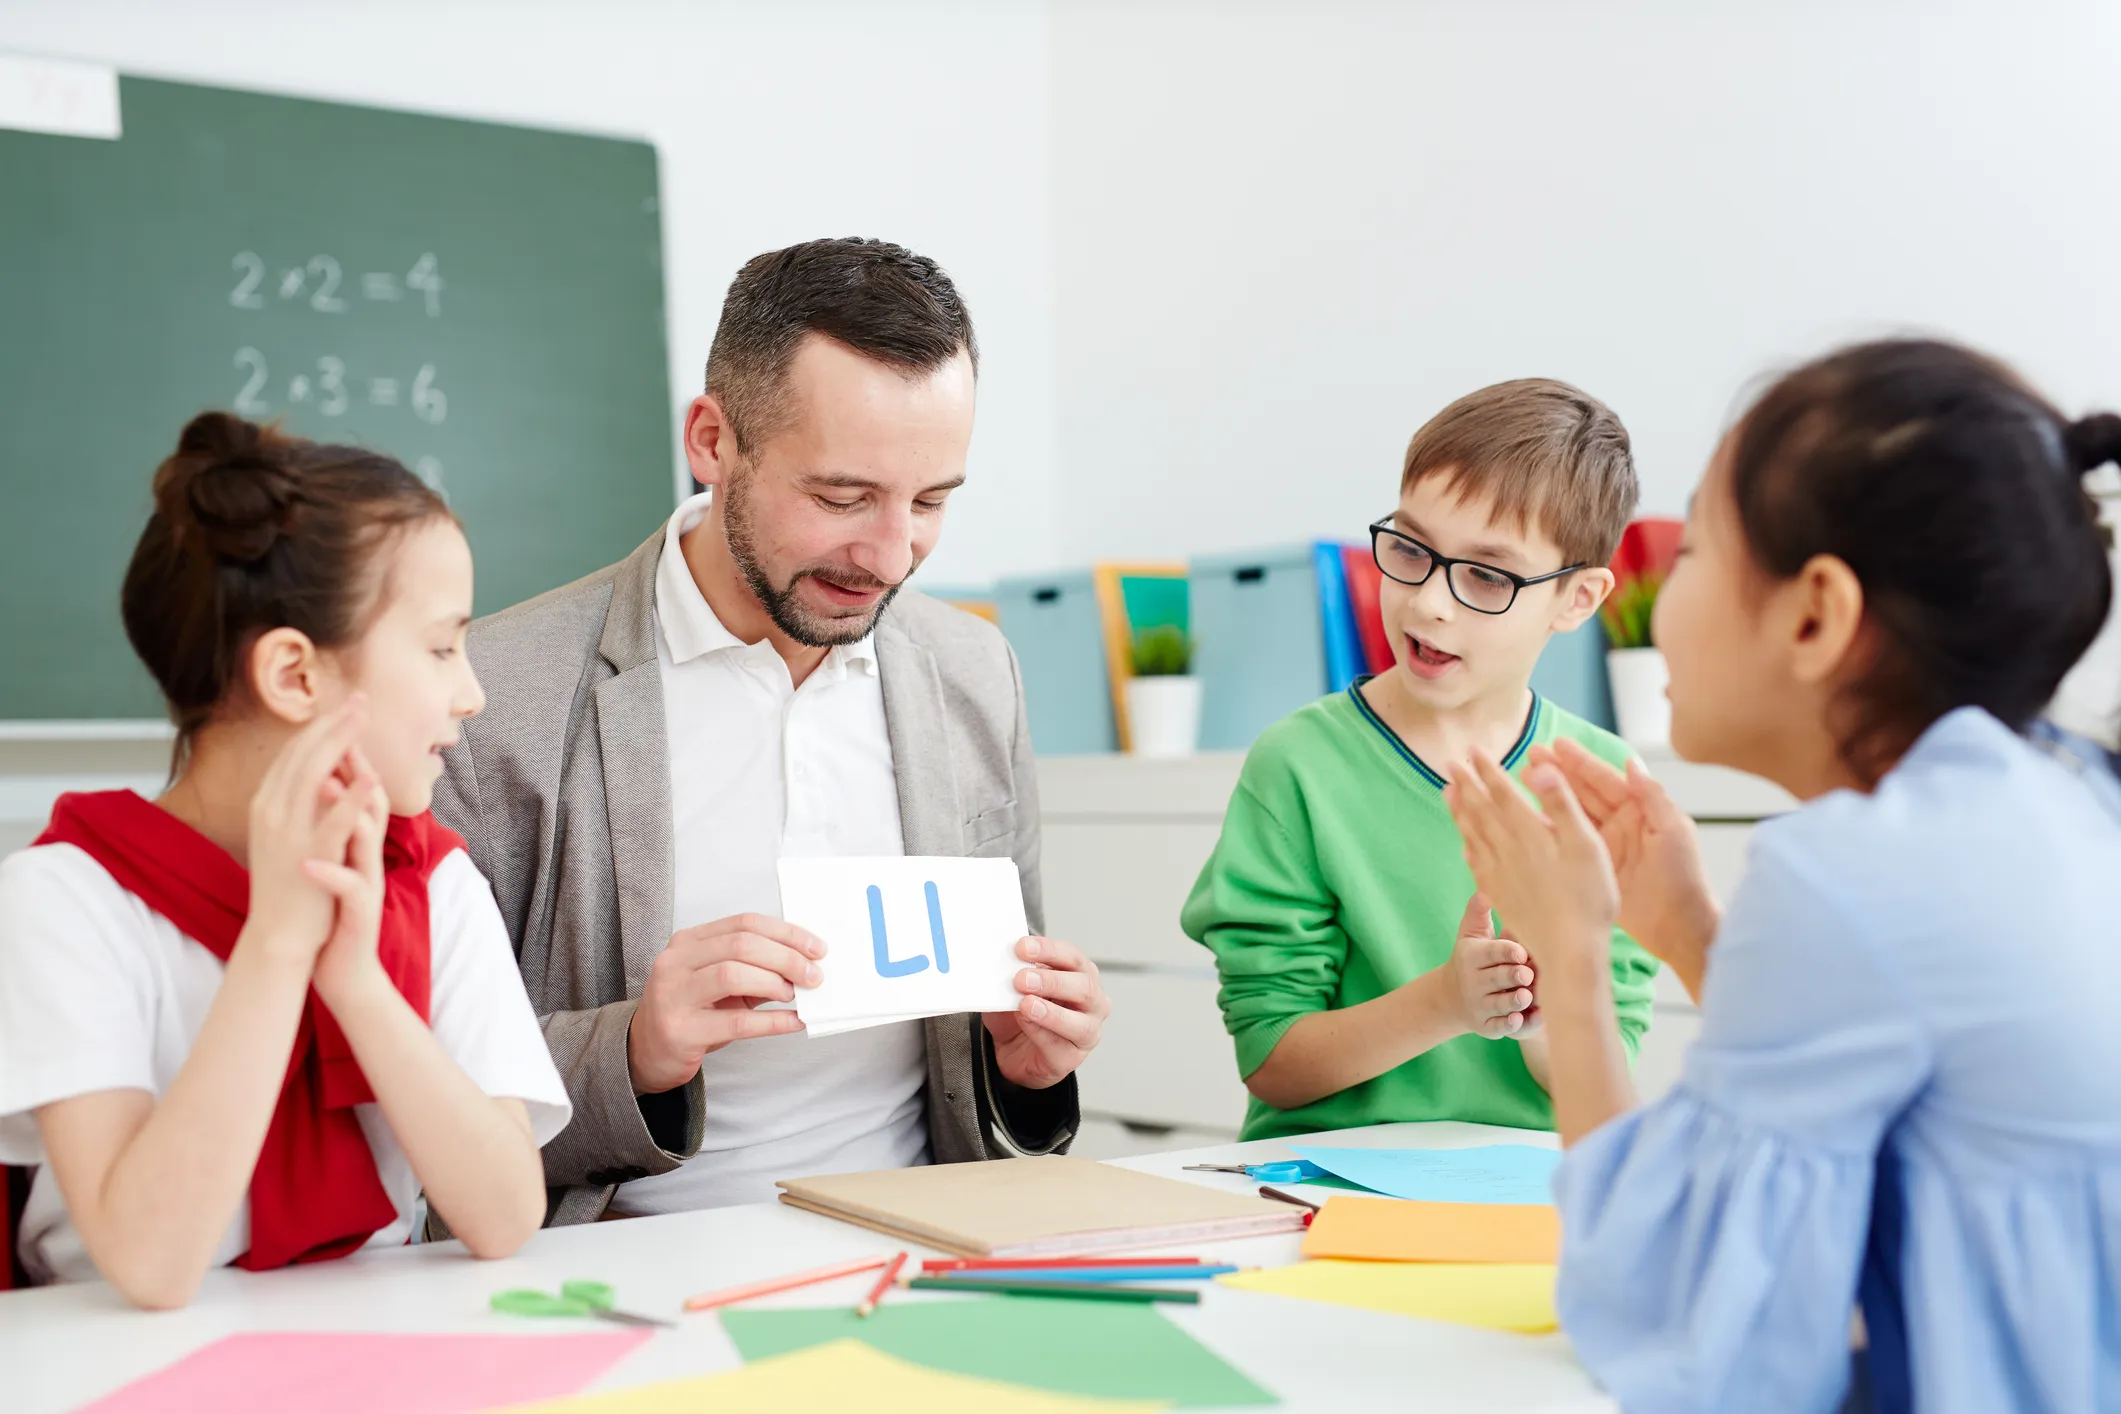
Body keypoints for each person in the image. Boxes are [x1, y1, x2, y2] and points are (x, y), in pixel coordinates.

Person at [1445, 339, 2121, 1413]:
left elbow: (1677, 1325)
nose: (1659, 596)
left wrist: (1568, 956)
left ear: (1816, 615)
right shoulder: (2064, 791)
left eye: (1699, 550)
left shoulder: (1855, 871)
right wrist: (1686, 928)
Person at [434, 237, 1108, 1223]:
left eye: (929, 502)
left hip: (923, 1251)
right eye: (842, 497)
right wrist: (635, 1049)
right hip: (617, 1270)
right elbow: (414, 1095)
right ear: (712, 441)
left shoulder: (972, 673)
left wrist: (1032, 1064)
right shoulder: (492, 696)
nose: (889, 555)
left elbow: (995, 1088)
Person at [0, 414, 568, 1305]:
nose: (471, 692)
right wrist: (274, 948)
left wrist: (357, 983)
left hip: (377, 1348)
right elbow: (149, 1268)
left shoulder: (434, 884)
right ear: (295, 677)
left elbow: (501, 1218)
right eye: (438, 646)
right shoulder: (62, 899)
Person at [1181, 380, 1660, 1141]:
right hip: (1324, 1190)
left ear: (1576, 599)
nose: (1430, 602)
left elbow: (1601, 1082)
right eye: (1410, 549)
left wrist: (1540, 1007)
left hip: (1520, 1195)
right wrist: (1444, 1002)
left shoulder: (1603, 791)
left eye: (1486, 575)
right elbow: (1274, 1060)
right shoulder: (1300, 765)